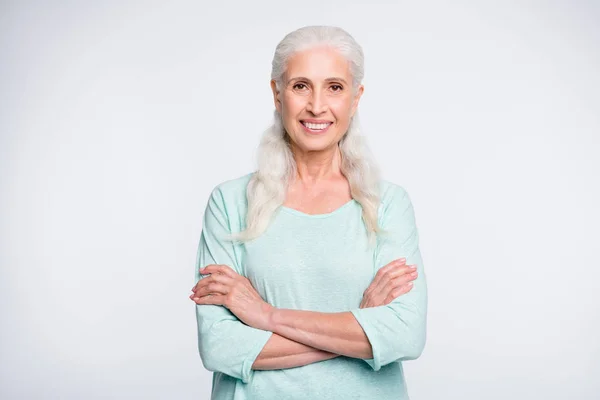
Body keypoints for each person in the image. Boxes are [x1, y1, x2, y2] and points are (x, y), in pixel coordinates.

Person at [189, 25, 428, 400]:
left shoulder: (388, 205)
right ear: (277, 93)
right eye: (301, 85)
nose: (317, 106)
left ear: (355, 98)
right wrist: (360, 327)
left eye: (334, 87)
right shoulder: (230, 202)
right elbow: (221, 347)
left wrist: (266, 316)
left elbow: (404, 335)